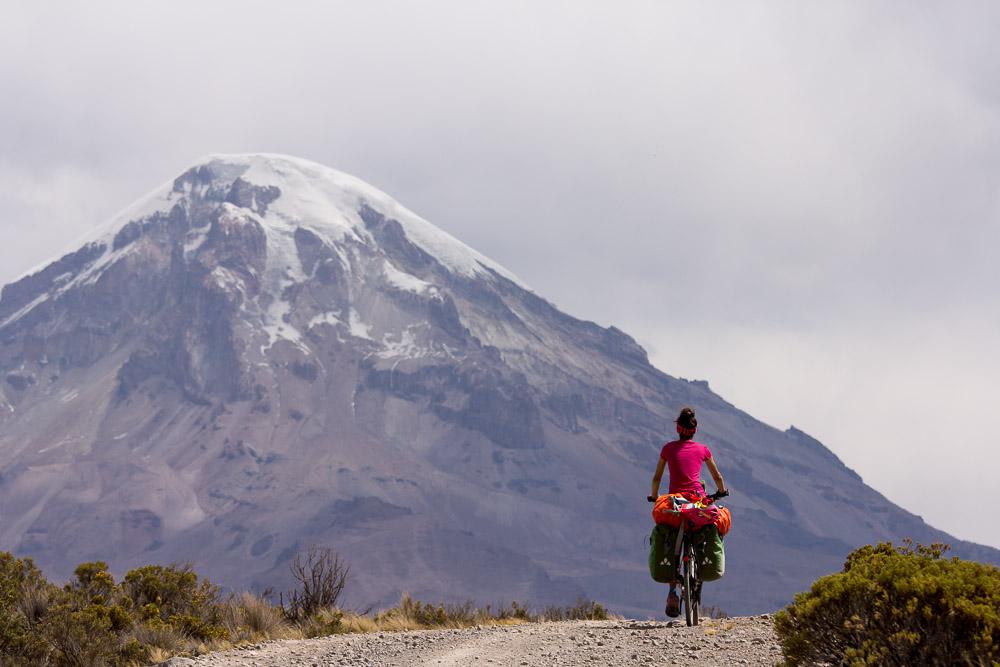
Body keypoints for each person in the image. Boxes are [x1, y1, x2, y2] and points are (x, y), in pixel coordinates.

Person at [648, 406, 727, 617]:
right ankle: (700, 569)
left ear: (678, 428)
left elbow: (656, 478)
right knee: (712, 523)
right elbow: (717, 476)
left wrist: (654, 497)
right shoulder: (703, 450)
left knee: (673, 539)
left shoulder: (668, 449)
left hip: (675, 503)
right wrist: (721, 491)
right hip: (698, 502)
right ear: (694, 430)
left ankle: (672, 592)